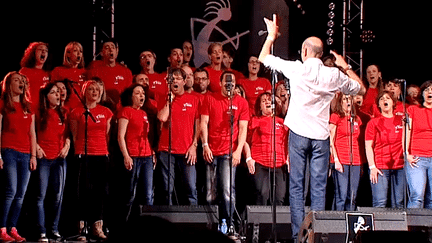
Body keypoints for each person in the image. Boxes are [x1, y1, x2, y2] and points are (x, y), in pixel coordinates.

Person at [258, 14, 365, 240]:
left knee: (297, 187)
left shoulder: (297, 68)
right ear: (320, 54)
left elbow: (263, 57)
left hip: (298, 135)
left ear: (305, 52)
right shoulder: (333, 73)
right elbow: (361, 89)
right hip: (320, 136)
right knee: (318, 188)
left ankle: (301, 235)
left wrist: (271, 36)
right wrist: (345, 66)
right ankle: (318, 234)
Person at [200, 71, 249, 229]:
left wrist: (238, 151)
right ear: (220, 83)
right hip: (211, 151)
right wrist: (205, 145)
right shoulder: (210, 98)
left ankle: (227, 226)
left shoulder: (241, 102)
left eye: (233, 82)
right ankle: (211, 226)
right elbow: (203, 123)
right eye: (227, 81)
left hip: (229, 152)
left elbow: (243, 129)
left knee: (227, 192)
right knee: (209, 194)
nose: (230, 84)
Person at [70, 80, 113, 241]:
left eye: (97, 89)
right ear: (84, 92)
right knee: (83, 191)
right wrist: (78, 150)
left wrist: (103, 151)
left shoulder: (106, 112)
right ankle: (83, 227)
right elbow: (75, 135)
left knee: (100, 192)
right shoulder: (76, 112)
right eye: (90, 89)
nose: (94, 92)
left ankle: (97, 226)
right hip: (83, 154)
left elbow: (107, 135)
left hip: (101, 155)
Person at [0, 72, 37, 243]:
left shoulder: (28, 107)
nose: (20, 83)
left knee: (21, 194)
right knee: (11, 191)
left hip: (25, 154)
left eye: (22, 81)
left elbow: (32, 133)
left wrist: (33, 155)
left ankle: (12, 227)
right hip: (9, 151)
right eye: (16, 80)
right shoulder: (3, 105)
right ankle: (2, 228)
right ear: (8, 85)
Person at [157, 68, 200, 205]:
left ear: (184, 81)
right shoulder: (164, 98)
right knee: (166, 189)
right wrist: (170, 101)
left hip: (187, 150)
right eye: (172, 79)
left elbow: (198, 124)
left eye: (178, 78)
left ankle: (194, 222)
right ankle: (167, 220)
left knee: (191, 188)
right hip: (166, 150)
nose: (175, 81)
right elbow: (162, 117)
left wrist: (194, 145)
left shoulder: (193, 99)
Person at [35, 83, 70, 242]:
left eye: (59, 92)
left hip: (59, 159)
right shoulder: (39, 113)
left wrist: (67, 145)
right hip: (43, 158)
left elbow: (69, 134)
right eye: (54, 92)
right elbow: (31, 133)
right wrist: (36, 147)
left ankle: (54, 229)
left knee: (58, 196)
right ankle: (42, 231)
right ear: (46, 96)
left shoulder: (64, 112)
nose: (58, 95)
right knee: (41, 195)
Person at [118, 83, 155, 222]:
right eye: (138, 93)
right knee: (129, 195)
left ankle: (148, 225)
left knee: (148, 194)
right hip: (133, 155)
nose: (142, 96)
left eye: (143, 93)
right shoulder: (126, 111)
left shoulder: (144, 113)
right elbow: (121, 136)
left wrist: (152, 153)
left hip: (146, 156)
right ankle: (123, 226)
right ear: (131, 96)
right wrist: (126, 156)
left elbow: (145, 136)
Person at [244, 92, 288, 205]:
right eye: (264, 101)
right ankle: (260, 223)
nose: (267, 102)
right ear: (260, 106)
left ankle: (278, 223)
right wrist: (248, 158)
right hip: (260, 163)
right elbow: (245, 140)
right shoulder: (255, 121)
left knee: (280, 197)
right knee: (262, 194)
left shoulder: (282, 122)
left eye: (270, 100)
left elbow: (288, 142)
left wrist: (288, 158)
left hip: (279, 164)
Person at [365, 91, 404, 208]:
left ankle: (397, 227)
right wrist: (372, 167)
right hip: (380, 167)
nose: (385, 100)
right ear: (379, 104)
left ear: (393, 102)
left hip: (400, 166)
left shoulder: (402, 120)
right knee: (380, 202)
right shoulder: (373, 123)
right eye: (381, 99)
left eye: (387, 98)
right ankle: (379, 227)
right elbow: (368, 146)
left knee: (399, 203)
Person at [329, 94, 362, 211]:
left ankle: (350, 224)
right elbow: (330, 140)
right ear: (340, 102)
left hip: (355, 161)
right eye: (344, 99)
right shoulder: (335, 117)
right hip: (341, 160)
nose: (347, 101)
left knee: (352, 196)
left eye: (349, 99)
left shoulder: (356, 119)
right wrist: (335, 160)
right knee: (341, 196)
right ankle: (336, 225)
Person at [404, 80, 432, 209]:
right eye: (426, 90)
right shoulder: (413, 109)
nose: (429, 92)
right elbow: (406, 132)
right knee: (417, 195)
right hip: (417, 158)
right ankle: (413, 227)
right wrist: (406, 153)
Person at [86, 39, 133, 109]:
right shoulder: (94, 71)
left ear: (117, 51)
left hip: (121, 110)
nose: (111, 50)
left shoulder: (126, 72)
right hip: (101, 109)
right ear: (101, 52)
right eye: (107, 47)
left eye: (113, 47)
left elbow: (129, 95)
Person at [51, 41, 86, 110]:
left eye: (80, 51)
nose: (79, 53)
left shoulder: (84, 72)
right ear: (68, 54)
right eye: (75, 51)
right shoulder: (58, 71)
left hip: (80, 109)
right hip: (64, 108)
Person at [19, 42, 50, 108]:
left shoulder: (47, 73)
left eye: (46, 50)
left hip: (44, 109)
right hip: (29, 108)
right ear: (33, 53)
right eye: (40, 49)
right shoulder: (24, 71)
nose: (43, 52)